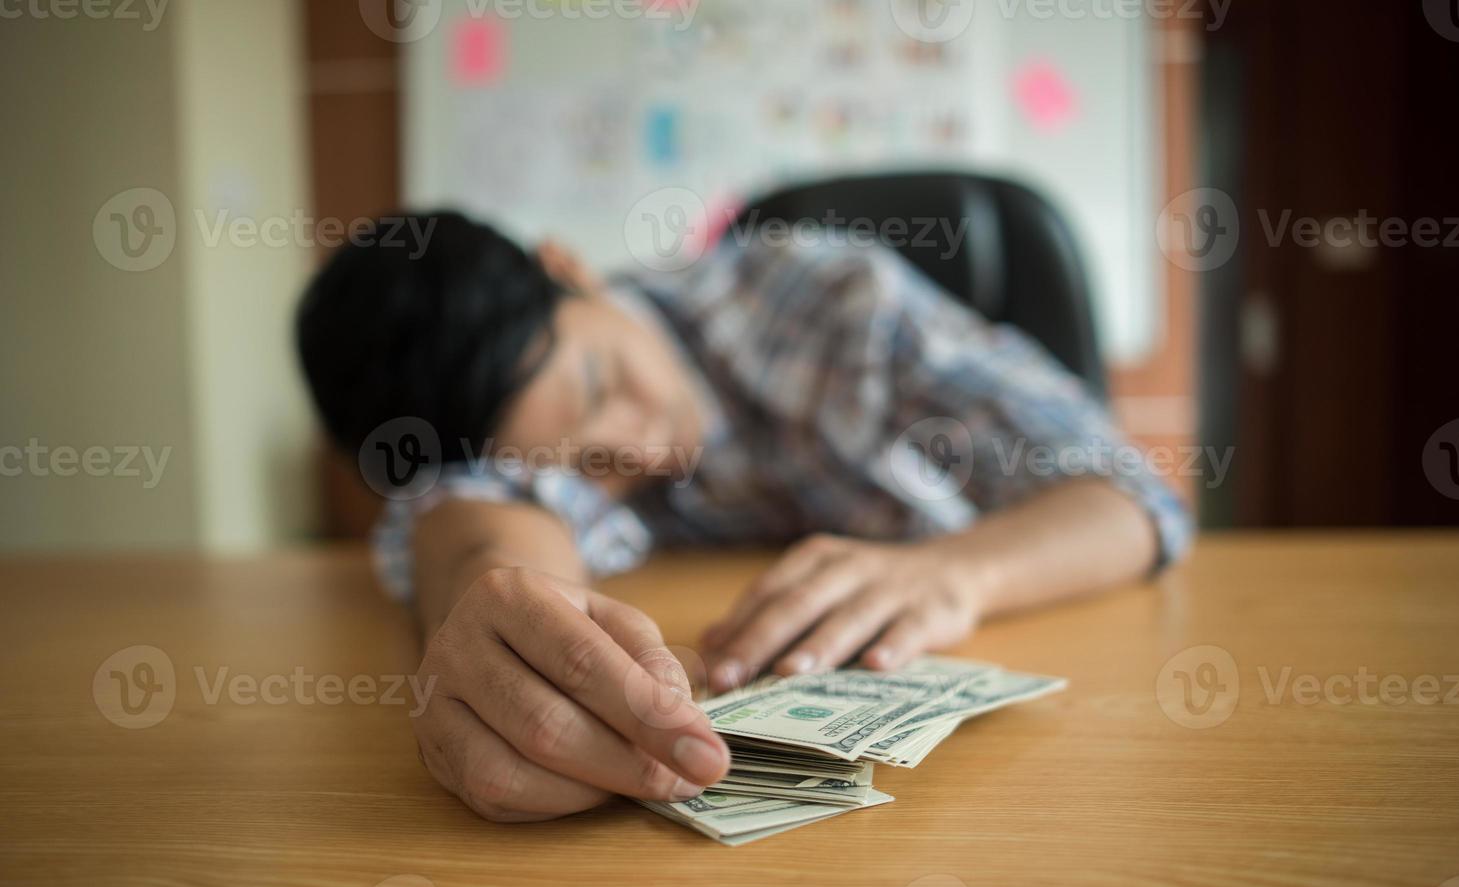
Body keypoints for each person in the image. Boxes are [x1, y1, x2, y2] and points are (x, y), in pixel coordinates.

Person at [296, 210, 1192, 823]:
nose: (637, 451)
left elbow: (1127, 494)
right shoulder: (505, 457)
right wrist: (496, 609)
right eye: (579, 462)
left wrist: (955, 570)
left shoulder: (823, 297)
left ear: (565, 268)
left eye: (601, 385)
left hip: (1036, 732)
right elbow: (480, 523)